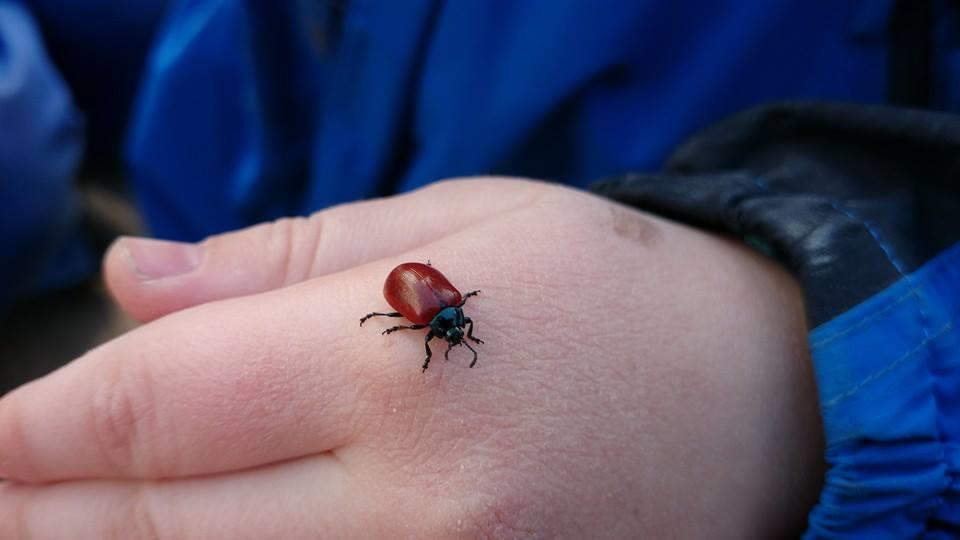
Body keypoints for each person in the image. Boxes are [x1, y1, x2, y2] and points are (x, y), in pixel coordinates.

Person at [0, 1, 957, 537]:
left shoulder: (442, 317)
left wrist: (782, 351)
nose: (457, 336)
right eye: (453, 330)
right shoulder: (438, 307)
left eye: (454, 331)